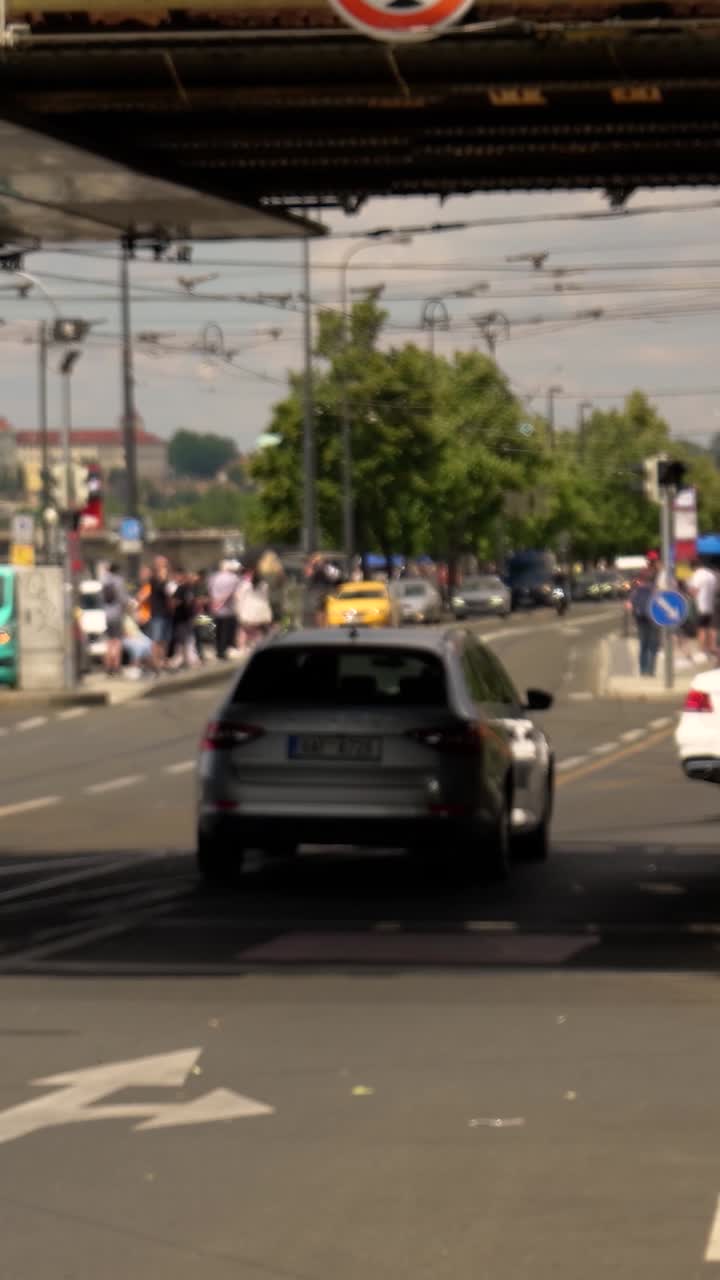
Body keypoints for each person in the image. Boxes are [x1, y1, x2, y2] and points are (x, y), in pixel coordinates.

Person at [630, 568, 660, 677]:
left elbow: (632, 605)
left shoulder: (637, 590)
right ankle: (651, 670)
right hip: (654, 620)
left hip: (641, 619)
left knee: (643, 645)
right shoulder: (654, 589)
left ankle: (643, 670)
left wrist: (635, 617)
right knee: (653, 646)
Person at [208, 559, 240, 659]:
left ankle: (218, 650)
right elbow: (233, 593)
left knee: (217, 630)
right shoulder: (233, 578)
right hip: (228, 609)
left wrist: (215, 602)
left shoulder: (213, 577)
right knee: (226, 631)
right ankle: (224, 650)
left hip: (215, 608)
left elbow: (210, 590)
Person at [101, 562, 127, 677]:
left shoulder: (103, 581)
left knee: (109, 642)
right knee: (117, 642)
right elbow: (122, 599)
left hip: (106, 614)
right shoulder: (118, 581)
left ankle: (108, 666)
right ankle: (115, 666)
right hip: (116, 614)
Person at [688, 558, 717, 662]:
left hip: (701, 605)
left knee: (701, 629)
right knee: (710, 628)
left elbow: (694, 591)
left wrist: (689, 594)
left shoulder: (697, 575)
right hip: (711, 605)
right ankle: (711, 649)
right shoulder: (710, 574)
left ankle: (702, 651)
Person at [236, 568, 272, 651]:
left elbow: (238, 597)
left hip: (248, 610)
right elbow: (267, 597)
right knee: (259, 630)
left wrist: (239, 608)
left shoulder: (245, 585)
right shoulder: (264, 585)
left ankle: (242, 648)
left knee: (244, 630)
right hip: (261, 611)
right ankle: (258, 647)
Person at [169, 568, 199, 669]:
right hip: (181, 618)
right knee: (183, 639)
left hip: (188, 617)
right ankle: (182, 659)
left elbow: (192, 602)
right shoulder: (181, 588)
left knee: (188, 639)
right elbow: (174, 601)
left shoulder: (190, 589)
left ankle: (188, 659)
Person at [149, 555, 174, 672]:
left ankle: (163, 661)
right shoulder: (154, 579)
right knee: (156, 639)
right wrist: (163, 578)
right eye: (163, 564)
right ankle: (156, 663)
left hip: (167, 613)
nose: (165, 566)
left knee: (165, 639)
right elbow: (162, 589)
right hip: (158, 613)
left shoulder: (167, 578)